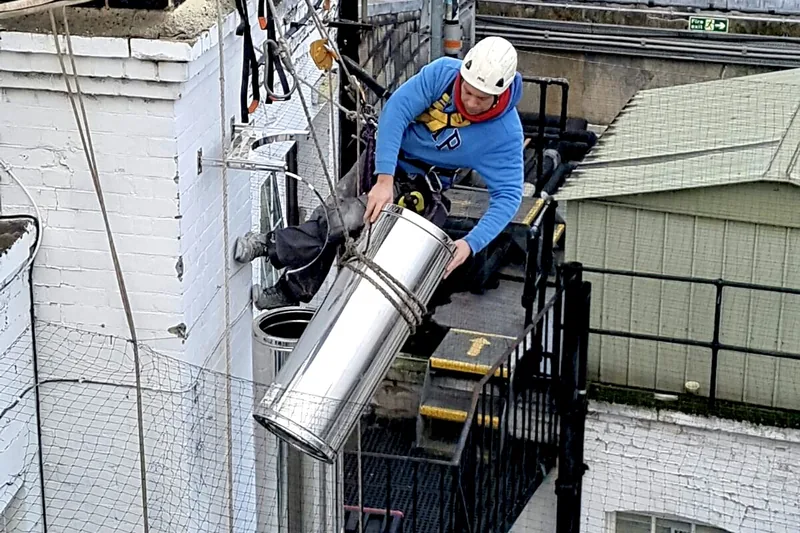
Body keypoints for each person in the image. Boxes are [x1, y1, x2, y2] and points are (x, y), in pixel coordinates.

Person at [234, 36, 525, 310]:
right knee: (329, 216)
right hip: (385, 154)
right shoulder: (444, 75)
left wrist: (471, 243)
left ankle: (268, 246)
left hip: (417, 183)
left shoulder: (504, 134)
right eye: (468, 91)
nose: (472, 103)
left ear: (501, 94)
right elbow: (396, 110)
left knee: (345, 219)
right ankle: (293, 290)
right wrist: (384, 178)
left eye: (482, 98)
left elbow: (509, 195)